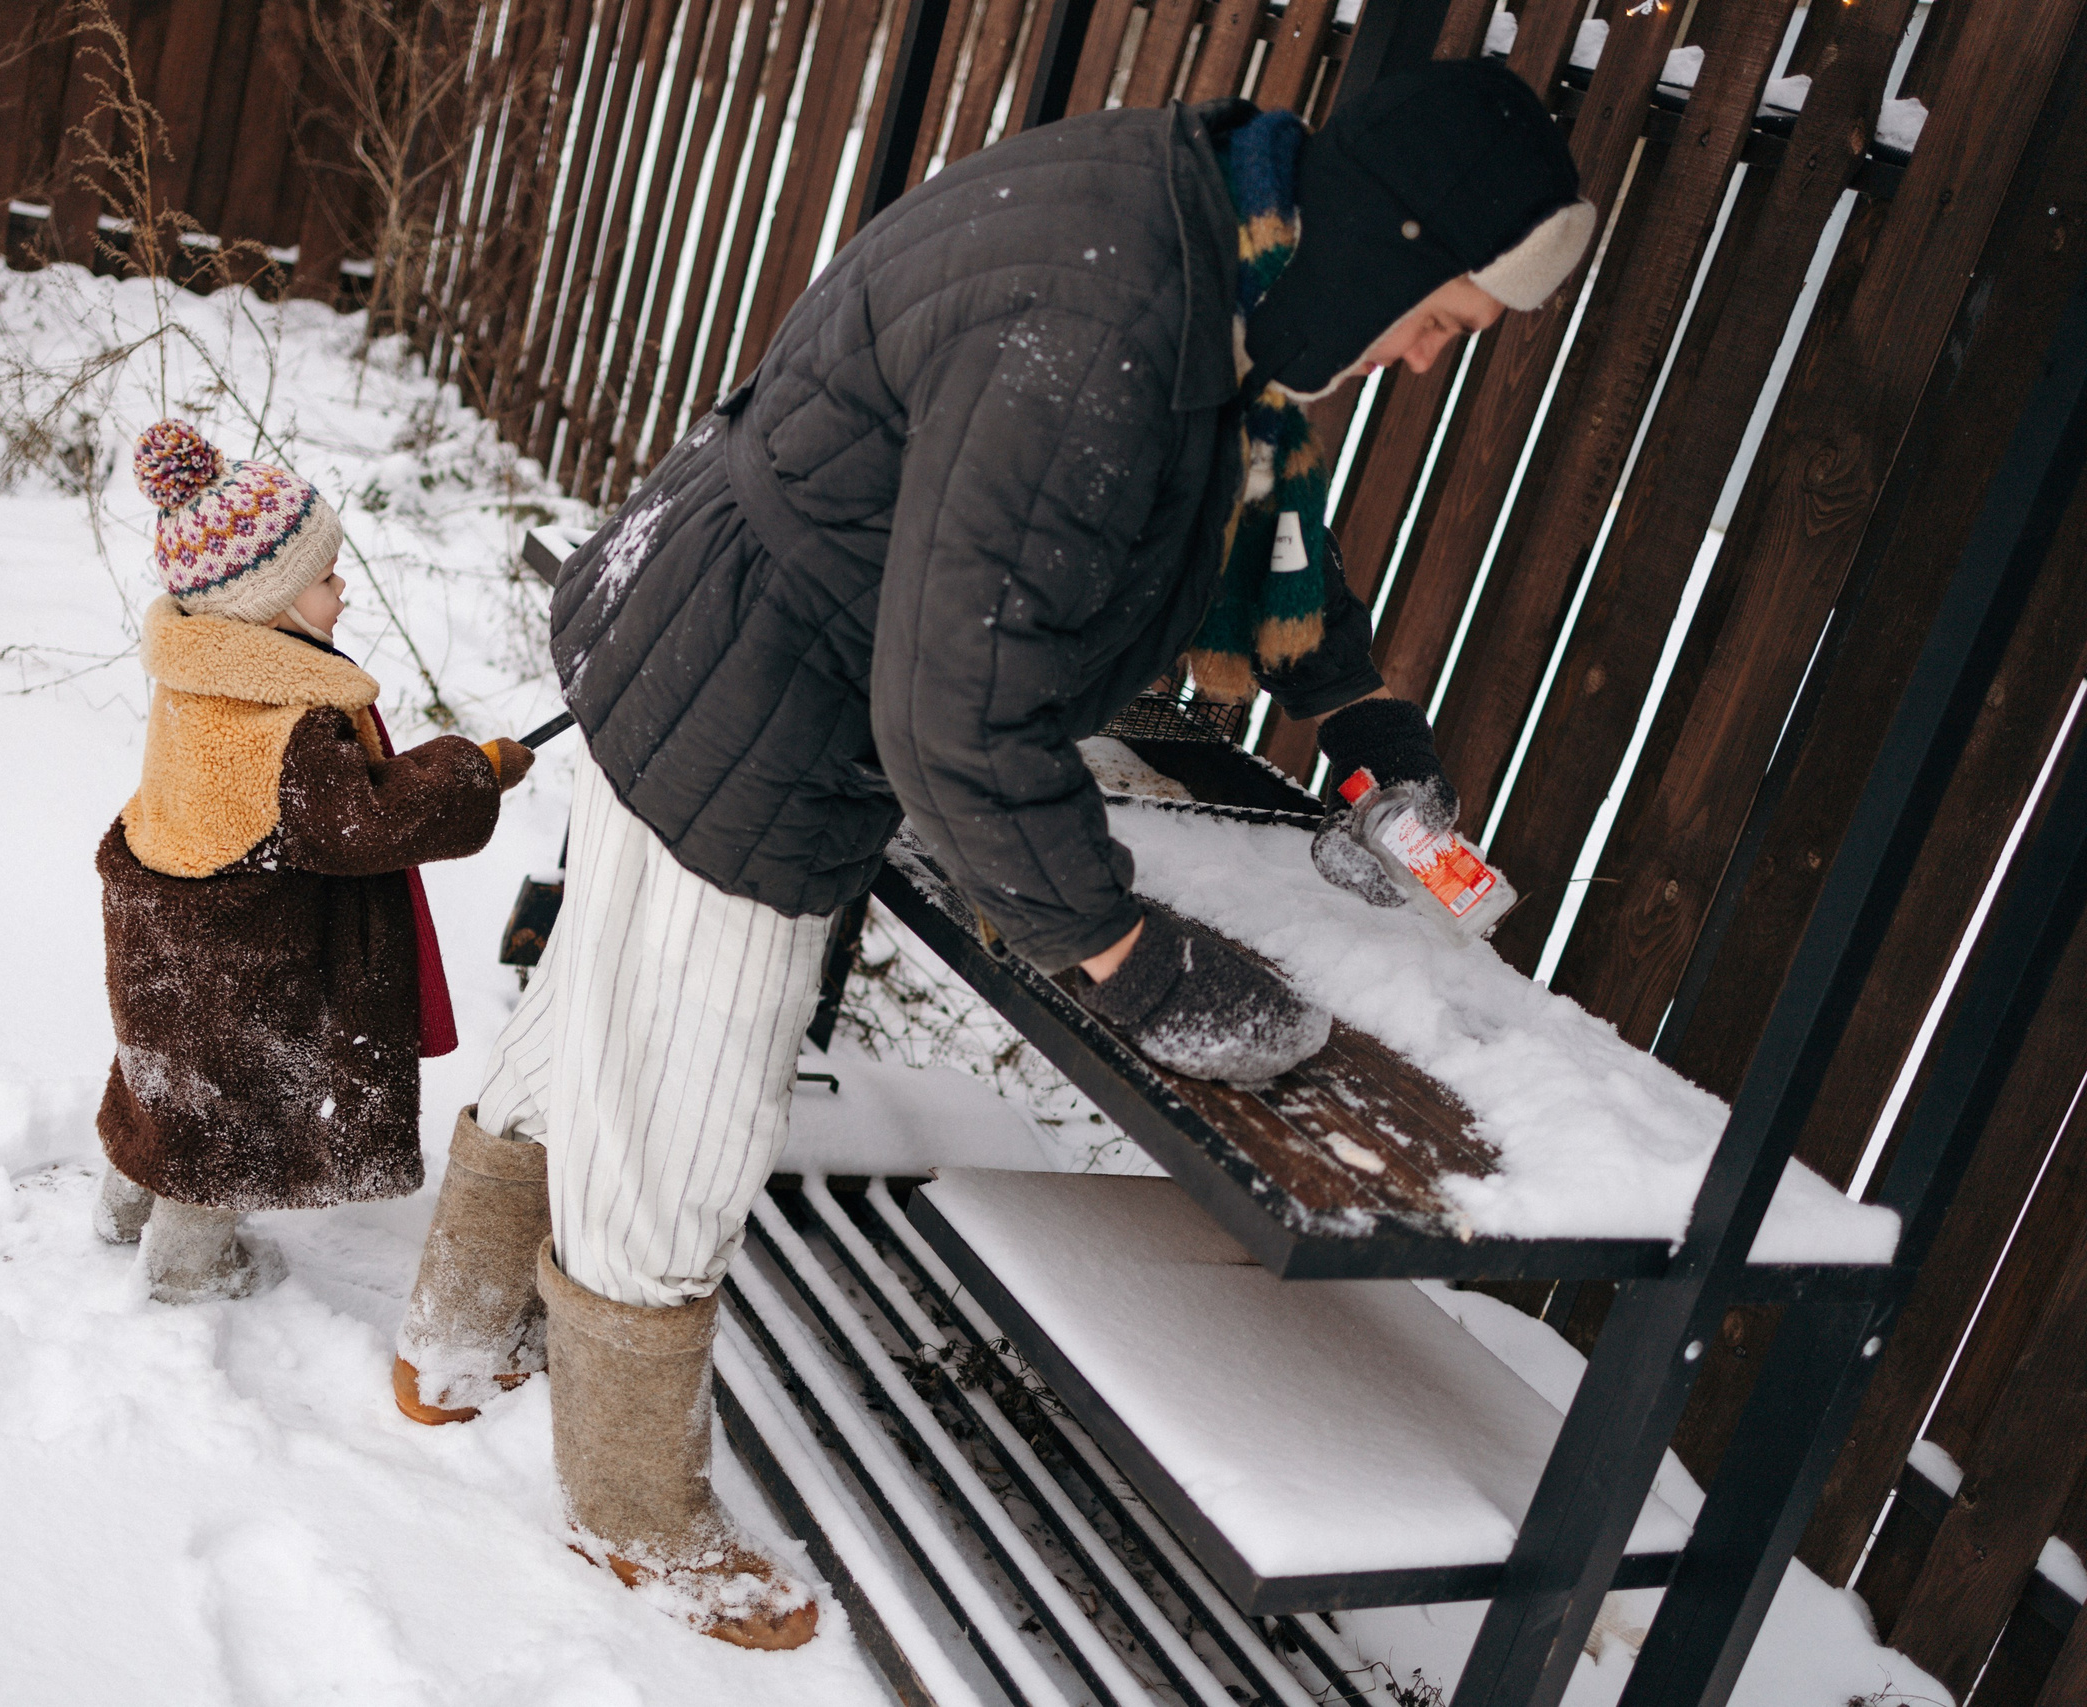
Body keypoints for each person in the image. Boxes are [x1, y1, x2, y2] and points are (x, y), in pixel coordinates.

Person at [393, 61, 1596, 1647]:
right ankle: (630, 1502)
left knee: (598, 997)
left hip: (686, 609)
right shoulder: (1107, 332)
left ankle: (456, 1333)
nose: (1424, 358)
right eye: (1442, 315)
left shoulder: (1201, 217)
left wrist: (1348, 699)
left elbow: (1240, 482)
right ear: (1387, 243)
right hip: (762, 701)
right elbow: (961, 718)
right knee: (686, 1094)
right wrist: (1127, 955)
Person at [91, 419, 534, 1304]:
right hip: (241, 961)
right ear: (268, 601)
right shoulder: (289, 725)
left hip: (172, 941)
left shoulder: (203, 670)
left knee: (166, 1086)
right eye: (327, 579)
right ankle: (187, 1267)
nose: (343, 594)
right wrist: (472, 773)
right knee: (224, 1113)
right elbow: (360, 822)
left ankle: (122, 1208)